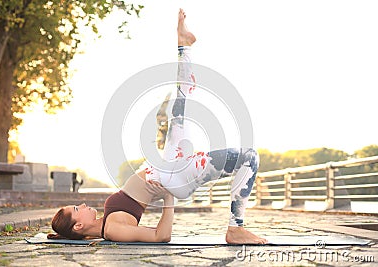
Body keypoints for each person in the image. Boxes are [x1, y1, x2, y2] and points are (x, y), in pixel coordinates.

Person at [49, 9, 267, 244]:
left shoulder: (106, 221)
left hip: (168, 165)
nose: (81, 204)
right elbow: (161, 236)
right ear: (79, 224)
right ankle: (235, 229)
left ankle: (184, 45)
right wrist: (168, 196)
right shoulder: (112, 229)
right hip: (175, 176)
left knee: (180, 103)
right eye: (76, 207)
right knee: (249, 157)